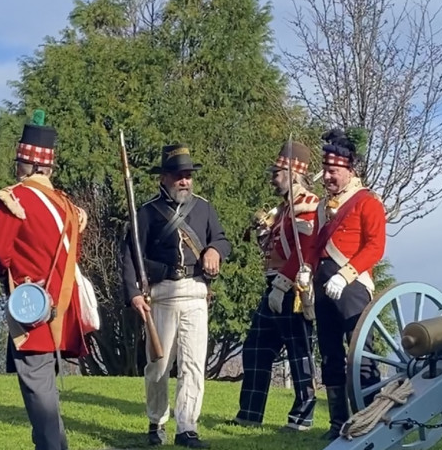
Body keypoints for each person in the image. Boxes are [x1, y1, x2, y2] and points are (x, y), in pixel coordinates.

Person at [0, 110, 91, 450]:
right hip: (63, 308)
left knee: (39, 394)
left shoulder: (13, 199)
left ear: (27, 164)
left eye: (20, 162)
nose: (16, 168)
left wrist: (0, 272)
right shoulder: (67, 205)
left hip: (31, 307)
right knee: (44, 392)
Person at [121, 144, 231, 449]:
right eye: (178, 176)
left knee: (194, 364)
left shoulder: (204, 208)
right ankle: (156, 422)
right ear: (164, 178)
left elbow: (221, 240)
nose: (185, 181)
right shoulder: (147, 212)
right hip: (162, 294)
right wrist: (133, 294)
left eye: (187, 175)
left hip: (195, 292)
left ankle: (187, 426)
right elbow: (131, 255)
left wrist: (214, 250)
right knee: (158, 365)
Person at [228, 141, 318, 430]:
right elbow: (274, 251)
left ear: (293, 173)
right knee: (255, 349)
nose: (272, 177)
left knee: (299, 353)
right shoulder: (284, 209)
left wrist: (282, 284)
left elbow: (305, 250)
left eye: (277, 172)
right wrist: (265, 234)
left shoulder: (307, 206)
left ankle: (302, 417)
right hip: (273, 287)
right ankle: (250, 414)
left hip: (294, 289)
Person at [312, 128, 386, 440]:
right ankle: (336, 422)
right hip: (322, 287)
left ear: (349, 170)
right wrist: (307, 269)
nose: (327, 177)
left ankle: (368, 421)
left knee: (361, 355)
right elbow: (317, 247)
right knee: (329, 354)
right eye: (325, 171)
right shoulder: (321, 206)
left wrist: (345, 274)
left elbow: (375, 246)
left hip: (353, 286)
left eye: (333, 171)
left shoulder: (367, 202)